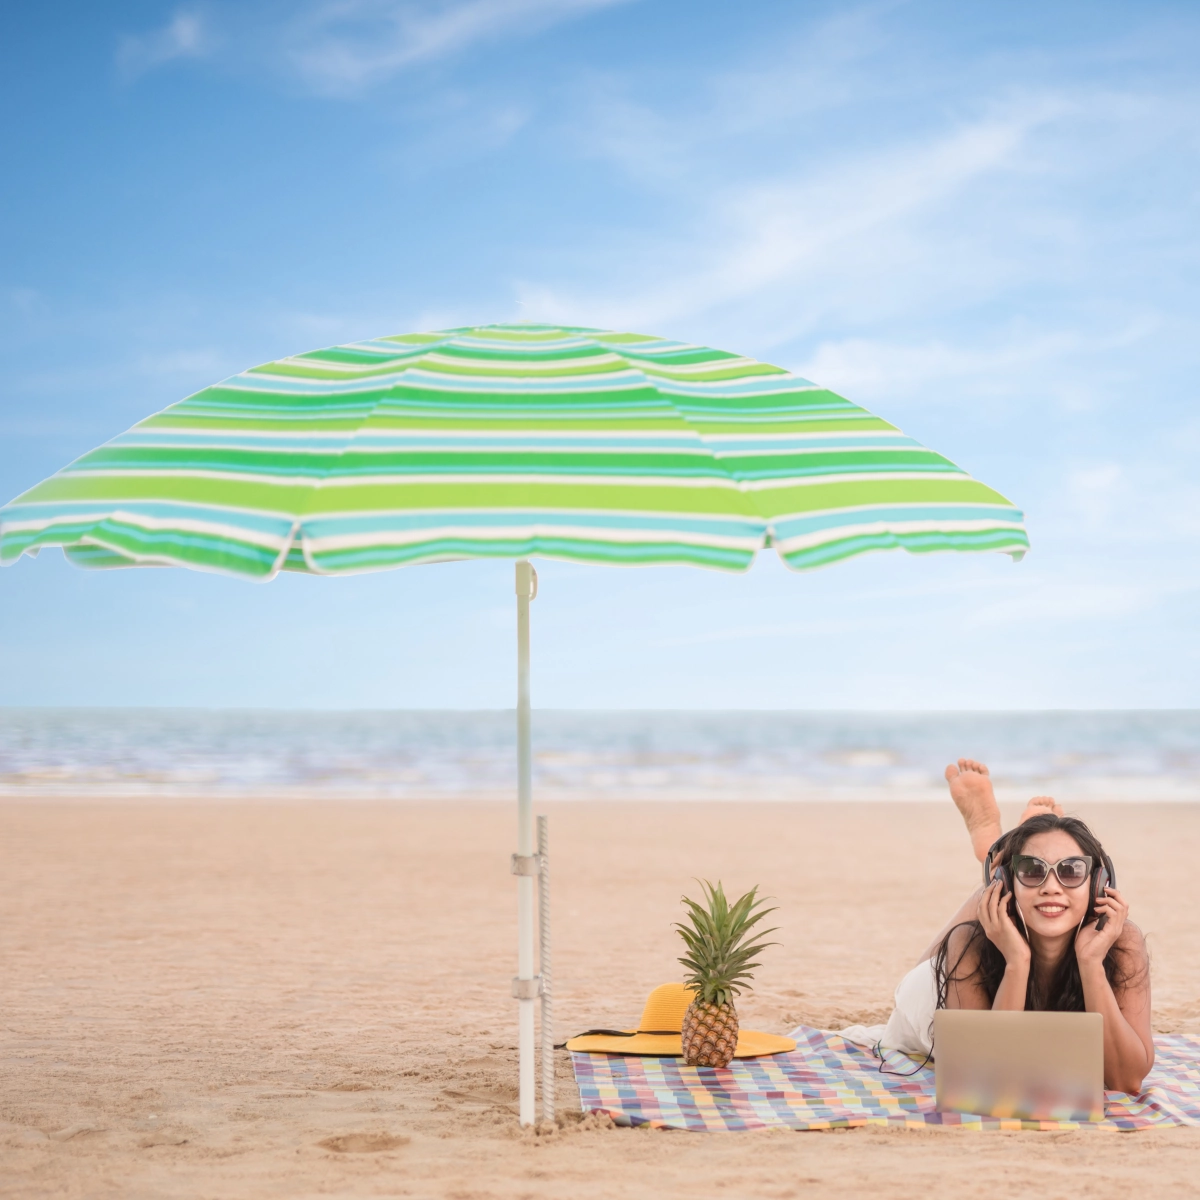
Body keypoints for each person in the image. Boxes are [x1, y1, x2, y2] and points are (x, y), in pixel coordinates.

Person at [844, 759, 1153, 1095]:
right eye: (1033, 870)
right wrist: (1016, 962)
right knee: (917, 979)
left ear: (1098, 884)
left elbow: (1126, 1081)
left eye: (1071, 870)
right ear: (1009, 885)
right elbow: (985, 1082)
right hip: (938, 998)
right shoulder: (969, 945)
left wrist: (1092, 964)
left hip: (1019, 915)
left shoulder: (1122, 942)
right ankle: (995, 865)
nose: (1052, 886)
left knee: (1013, 894)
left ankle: (999, 857)